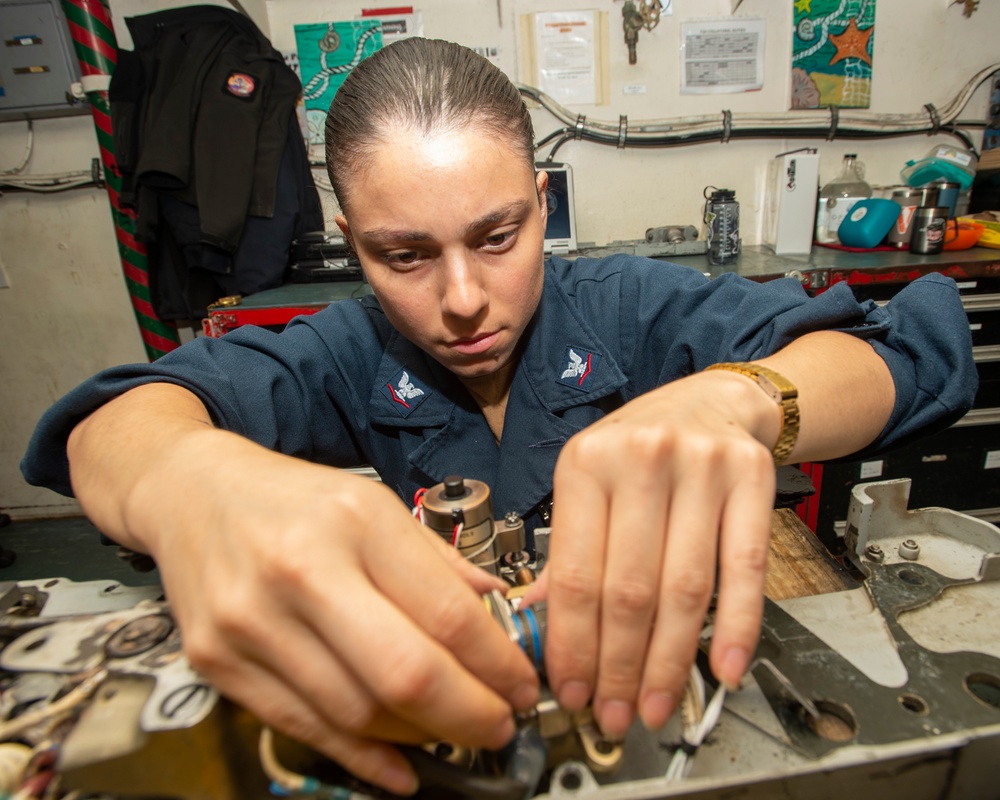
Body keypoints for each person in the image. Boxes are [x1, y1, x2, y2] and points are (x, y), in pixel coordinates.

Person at [22, 37, 976, 795]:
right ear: (350, 242)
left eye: (498, 235)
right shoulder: (347, 351)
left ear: (541, 200)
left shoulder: (632, 307)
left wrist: (744, 398)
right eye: (405, 255)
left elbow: (912, 347)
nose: (466, 298)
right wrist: (194, 485)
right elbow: (111, 421)